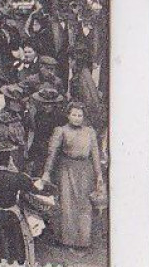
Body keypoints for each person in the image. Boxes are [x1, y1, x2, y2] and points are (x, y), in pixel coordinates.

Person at [42, 101, 105, 249]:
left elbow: (95, 154)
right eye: (74, 115)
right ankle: (66, 240)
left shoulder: (90, 132)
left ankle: (82, 241)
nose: (77, 118)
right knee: (67, 204)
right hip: (66, 169)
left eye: (80, 115)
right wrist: (46, 172)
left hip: (85, 170)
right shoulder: (61, 130)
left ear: (84, 117)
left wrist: (99, 175)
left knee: (84, 204)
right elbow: (52, 154)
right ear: (68, 115)